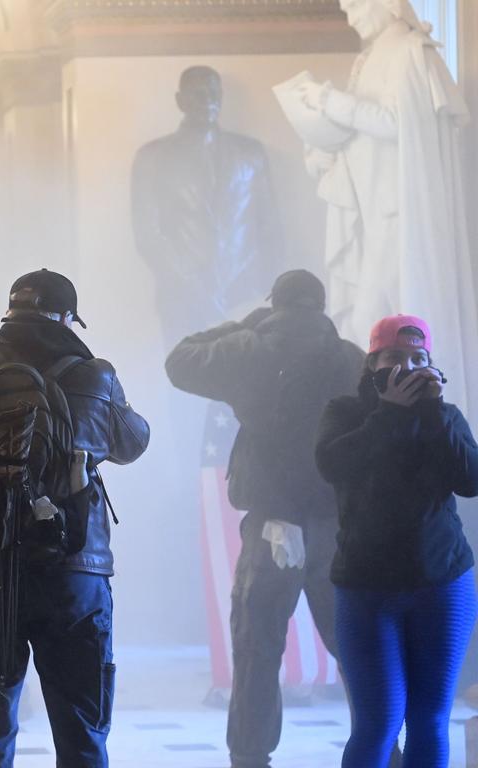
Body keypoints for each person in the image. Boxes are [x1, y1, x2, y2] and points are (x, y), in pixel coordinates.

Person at [0, 269, 150, 767]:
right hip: (75, 579)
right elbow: (134, 442)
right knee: (82, 735)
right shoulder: (95, 376)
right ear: (67, 319)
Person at [165, 270, 364, 768]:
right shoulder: (350, 359)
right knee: (357, 650)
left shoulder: (250, 347)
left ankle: (250, 757)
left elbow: (179, 360)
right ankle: (383, 745)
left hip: (271, 522)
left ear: (275, 304)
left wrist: (250, 322)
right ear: (322, 306)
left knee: (258, 649)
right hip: (334, 524)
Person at [294, 0, 477, 413]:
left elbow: (400, 125)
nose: (350, 14)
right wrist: (326, 146)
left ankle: (405, 412)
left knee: (388, 320)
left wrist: (331, 103)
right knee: (366, 324)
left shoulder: (410, 50)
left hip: (400, 214)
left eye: (357, 4)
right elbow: (368, 136)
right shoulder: (372, 56)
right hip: (373, 211)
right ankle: (376, 414)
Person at [315, 315, 478, 768]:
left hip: (443, 583)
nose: (406, 368)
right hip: (367, 588)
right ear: (373, 364)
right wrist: (388, 413)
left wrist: (433, 412)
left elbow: (471, 481)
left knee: (429, 720)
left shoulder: (443, 416)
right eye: (394, 357)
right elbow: (331, 466)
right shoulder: (345, 412)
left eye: (418, 358)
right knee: (378, 722)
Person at [131, 65, 282, 345]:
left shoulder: (251, 153)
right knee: (182, 379)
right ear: (180, 101)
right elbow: (147, 233)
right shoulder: (153, 157)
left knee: (240, 384)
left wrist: (268, 289)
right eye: (198, 94)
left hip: (244, 294)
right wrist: (189, 283)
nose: (208, 100)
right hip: (182, 296)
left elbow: (269, 225)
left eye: (214, 93)